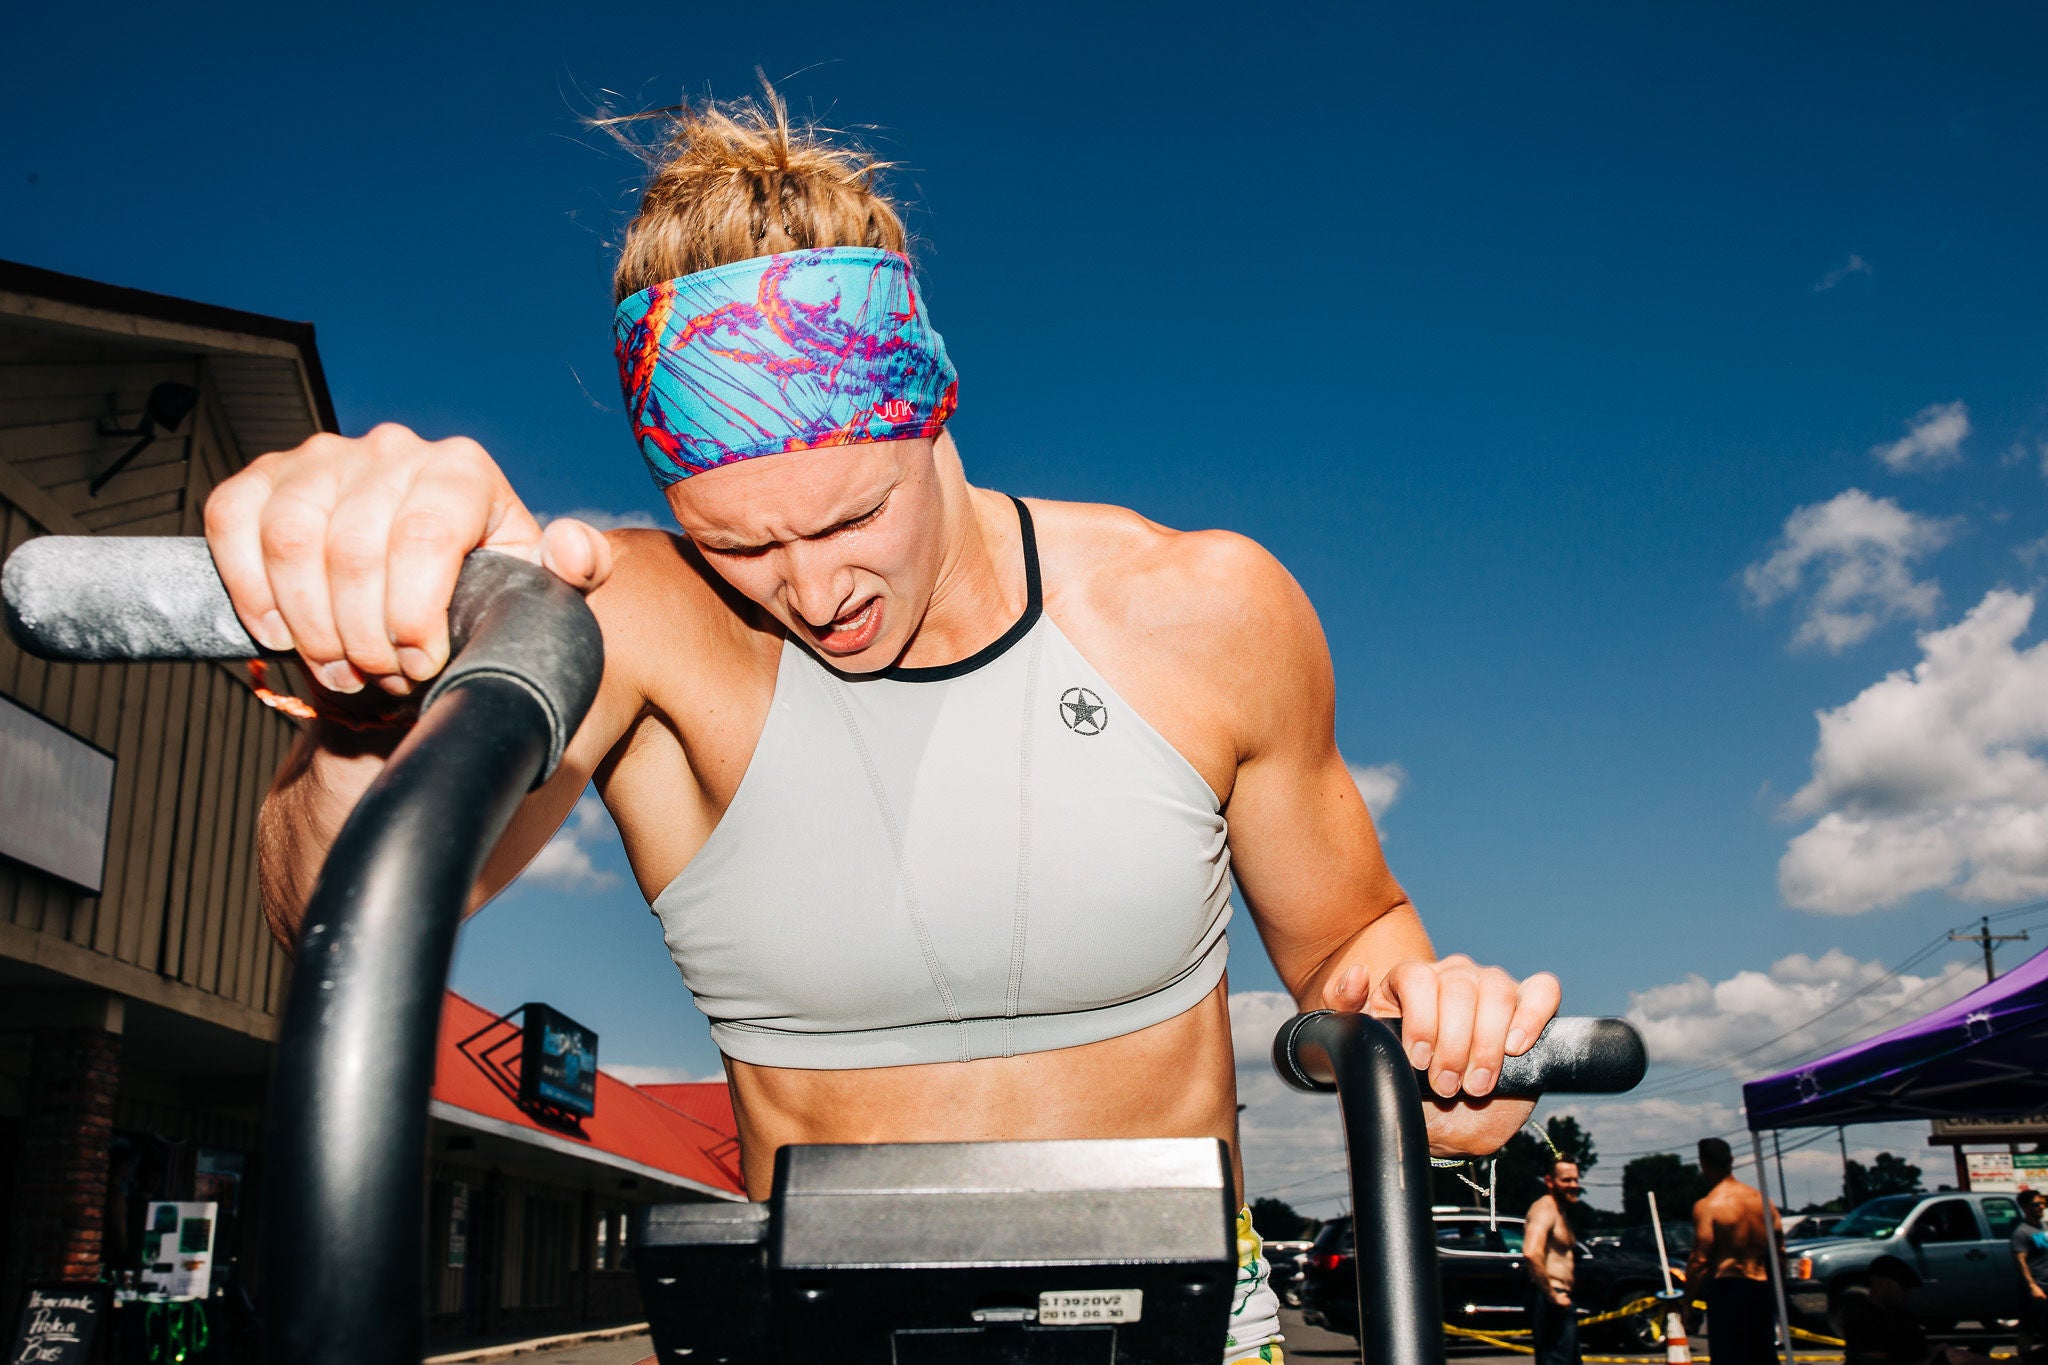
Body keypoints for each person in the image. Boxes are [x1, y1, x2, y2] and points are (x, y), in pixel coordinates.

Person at [206, 86, 1564, 1364]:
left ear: (936, 410)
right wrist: (363, 712)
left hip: (1179, 1324)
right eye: (739, 542)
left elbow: (1353, 945)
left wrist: (1443, 1031)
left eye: (853, 515)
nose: (814, 588)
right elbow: (333, 912)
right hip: (821, 1335)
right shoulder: (635, 622)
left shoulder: (1203, 610)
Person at [1685, 1137, 1780, 1365]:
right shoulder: (1764, 1202)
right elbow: (1780, 1253)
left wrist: (1687, 1305)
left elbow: (1699, 1260)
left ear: (1703, 1163)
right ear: (1731, 1160)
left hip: (1728, 1290)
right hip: (1760, 1287)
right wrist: (1778, 1293)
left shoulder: (1709, 1205)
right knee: (1763, 1358)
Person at [1839, 1256, 1991, 1365]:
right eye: (1903, 1288)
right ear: (1882, 1284)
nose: (1907, 1295)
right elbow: (1872, 1358)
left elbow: (1917, 1347)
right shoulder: (1862, 1315)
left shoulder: (1901, 1316)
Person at [1523, 1159, 1584, 1365]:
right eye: (1566, 1180)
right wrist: (1552, 1295)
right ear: (1549, 1181)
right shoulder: (1544, 1209)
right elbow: (1531, 1252)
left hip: (1558, 1300)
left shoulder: (1559, 1211)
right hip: (1550, 1299)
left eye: (1576, 1179)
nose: (1574, 1185)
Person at [2015, 1189, 2048, 1357]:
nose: (2041, 1207)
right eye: (2036, 1204)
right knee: (2028, 1329)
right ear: (2025, 1208)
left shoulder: (2044, 1227)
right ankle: (2022, 1360)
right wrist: (2033, 1286)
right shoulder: (2021, 1232)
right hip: (2037, 1289)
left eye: (2043, 1203)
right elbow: (2021, 1261)